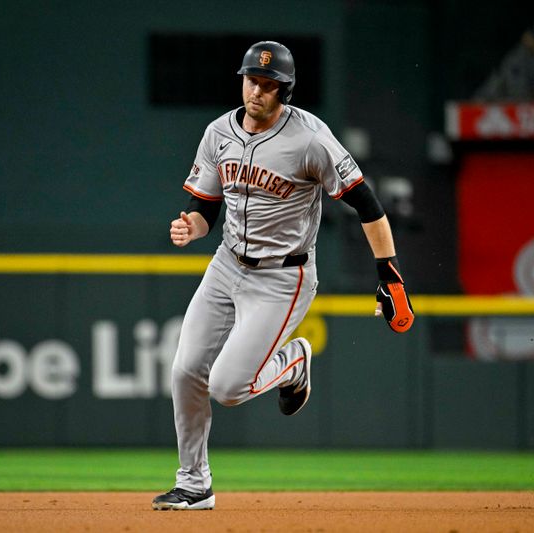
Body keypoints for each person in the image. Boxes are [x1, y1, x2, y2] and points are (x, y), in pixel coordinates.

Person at [152, 41, 414, 511]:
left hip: (283, 278)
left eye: (269, 84)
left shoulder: (310, 139)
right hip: (226, 264)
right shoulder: (218, 133)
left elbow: (365, 203)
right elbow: (206, 205)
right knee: (186, 370)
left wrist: (389, 274)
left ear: (285, 91)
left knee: (228, 388)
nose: (257, 90)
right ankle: (194, 483)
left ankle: (294, 361)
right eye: (252, 79)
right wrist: (192, 225)